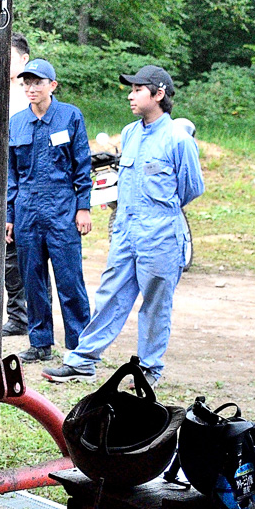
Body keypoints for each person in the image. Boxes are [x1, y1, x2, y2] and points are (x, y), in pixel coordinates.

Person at [44, 66, 203, 385]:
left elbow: (190, 188)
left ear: (158, 95)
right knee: (109, 296)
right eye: (130, 90)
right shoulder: (130, 133)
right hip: (126, 232)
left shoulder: (178, 140)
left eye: (137, 90)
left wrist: (158, 215)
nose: (130, 95)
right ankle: (83, 360)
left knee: (155, 305)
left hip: (160, 237)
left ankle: (149, 369)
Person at [5, 59, 93, 364]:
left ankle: (80, 345)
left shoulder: (70, 117)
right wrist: (9, 216)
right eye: (27, 83)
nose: (31, 88)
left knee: (70, 278)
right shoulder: (16, 123)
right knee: (33, 280)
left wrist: (83, 207)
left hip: (62, 210)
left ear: (52, 86)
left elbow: (82, 164)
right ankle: (39, 342)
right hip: (27, 210)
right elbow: (11, 174)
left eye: (38, 83)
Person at [4, 32, 33, 339]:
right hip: (0, 177)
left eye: (8, 57)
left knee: (28, 248)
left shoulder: (31, 93)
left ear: (24, 59)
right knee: (7, 249)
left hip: (26, 180)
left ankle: (31, 316)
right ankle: (18, 315)